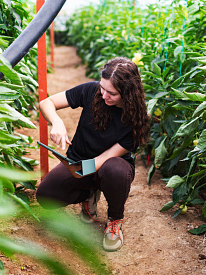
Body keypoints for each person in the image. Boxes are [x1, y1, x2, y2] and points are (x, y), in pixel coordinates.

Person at [36, 57, 150, 252]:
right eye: (103, 89)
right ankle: (89, 194)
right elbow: (46, 103)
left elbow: (104, 159)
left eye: (112, 93)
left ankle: (115, 220)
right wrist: (57, 122)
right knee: (46, 195)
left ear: (128, 94)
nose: (104, 95)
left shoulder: (136, 120)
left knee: (115, 170)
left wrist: (78, 172)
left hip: (108, 166)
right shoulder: (92, 91)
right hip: (80, 160)